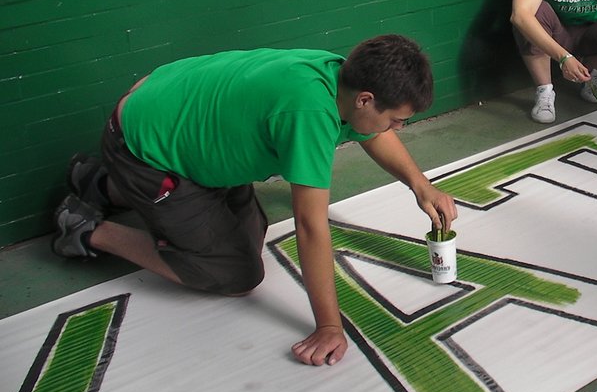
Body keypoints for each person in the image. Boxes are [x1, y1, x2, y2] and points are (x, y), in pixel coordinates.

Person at [51, 34, 458, 366]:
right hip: (144, 144)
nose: (398, 128)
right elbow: (310, 226)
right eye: (397, 119)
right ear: (366, 99)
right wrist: (329, 326)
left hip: (168, 112)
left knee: (252, 233)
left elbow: (373, 131)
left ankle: (99, 183)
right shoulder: (310, 114)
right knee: (235, 274)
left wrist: (420, 185)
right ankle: (86, 228)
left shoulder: (338, 77)